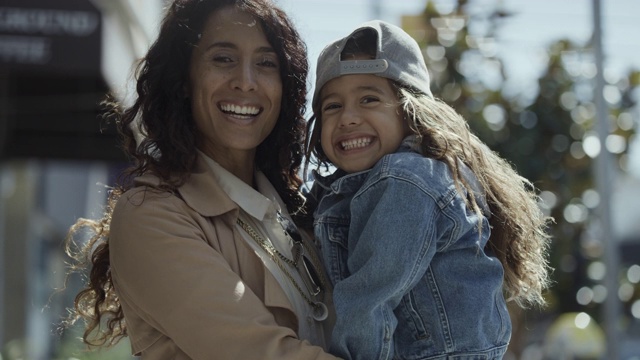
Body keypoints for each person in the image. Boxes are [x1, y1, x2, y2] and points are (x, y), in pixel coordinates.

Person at [63, 0, 341, 359]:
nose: (246, 81)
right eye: (223, 58)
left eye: (266, 63)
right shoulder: (151, 216)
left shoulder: (298, 214)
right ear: (184, 80)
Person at [304, 20, 552, 360]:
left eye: (369, 99)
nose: (347, 117)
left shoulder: (406, 181)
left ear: (412, 111)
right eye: (332, 106)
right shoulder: (410, 177)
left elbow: (368, 303)